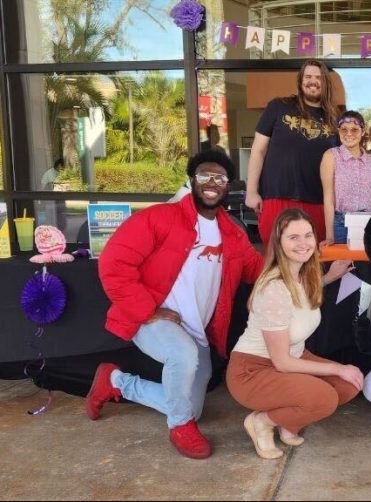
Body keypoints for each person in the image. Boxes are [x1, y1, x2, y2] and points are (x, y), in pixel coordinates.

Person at [85, 150, 264, 460]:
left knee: (191, 407)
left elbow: (257, 270)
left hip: (197, 328)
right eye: (204, 175)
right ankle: (179, 428)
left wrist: (309, 267)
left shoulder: (233, 233)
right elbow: (114, 264)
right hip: (152, 320)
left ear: (228, 186)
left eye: (219, 178)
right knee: (183, 359)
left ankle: (115, 382)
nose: (211, 183)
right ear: (191, 180)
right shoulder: (158, 217)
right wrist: (148, 311)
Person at [227, 208, 360, 459]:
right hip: (254, 370)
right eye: (293, 237)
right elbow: (282, 362)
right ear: (279, 242)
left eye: (308, 235)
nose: (303, 243)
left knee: (348, 384)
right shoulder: (274, 287)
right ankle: (262, 422)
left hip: (293, 357)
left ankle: (289, 422)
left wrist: (330, 276)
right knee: (324, 398)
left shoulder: (302, 275)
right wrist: (337, 367)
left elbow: (300, 298)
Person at [245, 59, 340, 247]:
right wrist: (251, 191)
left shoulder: (335, 118)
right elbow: (258, 150)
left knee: (313, 263)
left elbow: (340, 164)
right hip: (277, 198)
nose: (313, 81)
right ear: (301, 80)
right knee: (278, 260)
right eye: (308, 76)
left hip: (319, 202)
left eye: (318, 77)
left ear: (326, 83)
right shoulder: (278, 107)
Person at [319, 111, 371, 246]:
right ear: (338, 131)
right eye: (344, 129)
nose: (349, 134)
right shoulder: (331, 156)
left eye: (354, 130)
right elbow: (328, 199)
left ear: (362, 132)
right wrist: (330, 236)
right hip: (341, 223)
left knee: (368, 265)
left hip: (369, 222)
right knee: (344, 265)